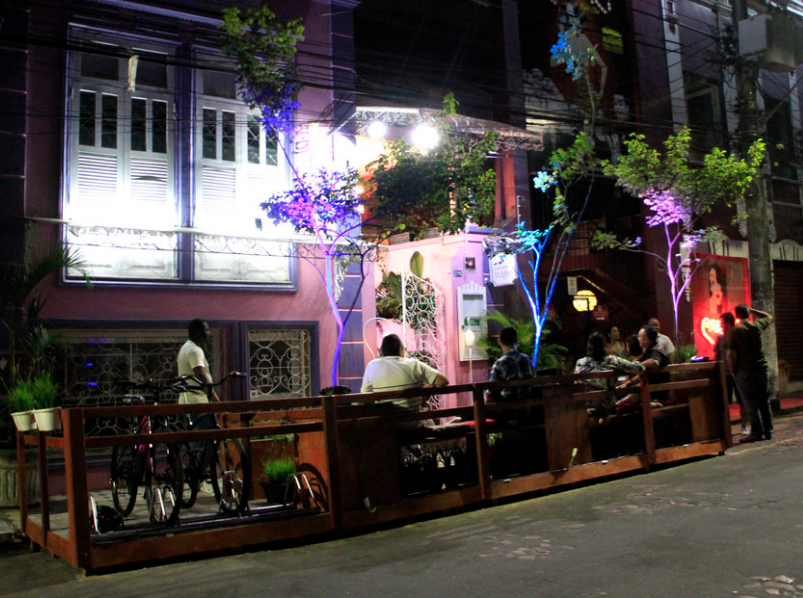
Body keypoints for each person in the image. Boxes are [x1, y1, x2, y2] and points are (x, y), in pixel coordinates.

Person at [361, 334, 448, 422]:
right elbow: (444, 381)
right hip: (413, 427)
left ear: (382, 351)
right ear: (400, 350)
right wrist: (427, 389)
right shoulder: (414, 364)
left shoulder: (372, 366)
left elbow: (365, 398)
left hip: (386, 429)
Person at [727, 304, 774, 443]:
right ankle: (768, 431)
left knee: (750, 402)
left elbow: (730, 354)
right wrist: (752, 310)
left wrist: (733, 370)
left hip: (744, 370)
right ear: (748, 313)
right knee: (764, 401)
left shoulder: (734, 331)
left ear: (736, 316)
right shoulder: (757, 326)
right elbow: (768, 316)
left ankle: (756, 432)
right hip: (761, 368)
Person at [484, 327, 535, 418]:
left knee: (467, 414)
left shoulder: (500, 363)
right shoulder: (527, 359)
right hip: (528, 412)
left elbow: (491, 393)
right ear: (516, 341)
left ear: (499, 341)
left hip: (508, 414)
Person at [616, 325, 670, 407]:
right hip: (648, 389)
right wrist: (628, 383)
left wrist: (638, 365)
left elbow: (654, 362)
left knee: (625, 397)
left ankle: (616, 406)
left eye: (639, 337)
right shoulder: (645, 354)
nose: (638, 339)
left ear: (646, 340)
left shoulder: (655, 351)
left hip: (656, 393)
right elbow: (642, 373)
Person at [575, 332, 644, 391]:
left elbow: (577, 383)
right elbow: (639, 368)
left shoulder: (580, 363)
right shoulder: (612, 360)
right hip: (607, 403)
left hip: (586, 403)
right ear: (604, 345)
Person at [713, 312, 746, 435]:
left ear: (727, 323)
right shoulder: (721, 338)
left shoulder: (738, 336)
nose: (721, 325)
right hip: (725, 374)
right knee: (724, 401)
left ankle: (744, 425)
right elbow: (717, 354)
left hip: (737, 373)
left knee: (741, 400)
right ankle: (726, 426)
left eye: (722, 323)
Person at [177, 318, 219, 404]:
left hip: (186, 400)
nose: (209, 334)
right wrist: (216, 400)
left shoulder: (185, 348)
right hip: (196, 402)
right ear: (198, 333)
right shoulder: (195, 350)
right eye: (206, 330)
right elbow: (201, 375)